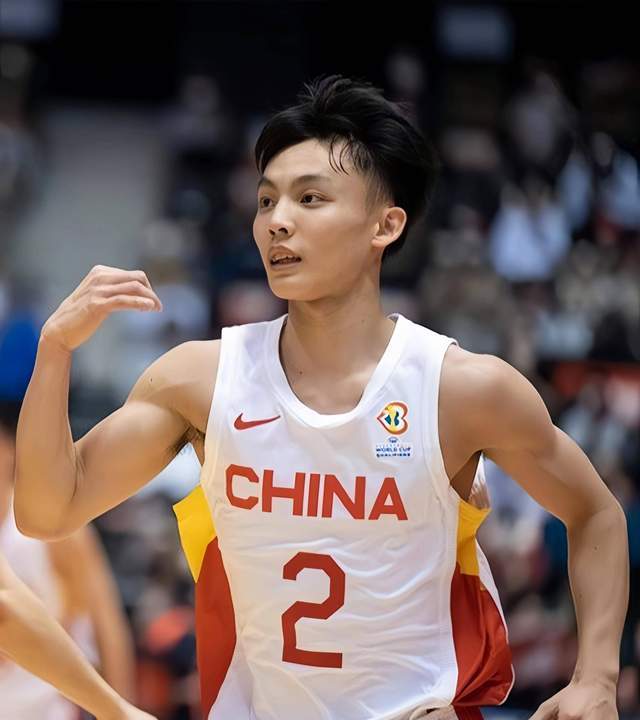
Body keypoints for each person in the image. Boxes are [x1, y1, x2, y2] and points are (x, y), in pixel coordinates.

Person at [14, 75, 628, 720]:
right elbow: (47, 511)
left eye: (310, 198)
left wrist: (597, 677)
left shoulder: (462, 388)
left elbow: (596, 513)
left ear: (385, 225)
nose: (277, 221)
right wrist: (54, 350)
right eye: (266, 200)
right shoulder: (199, 380)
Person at [0, 399, 148, 719]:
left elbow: (107, 624)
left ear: (11, 450)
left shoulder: (48, 526)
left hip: (45, 709)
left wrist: (122, 706)